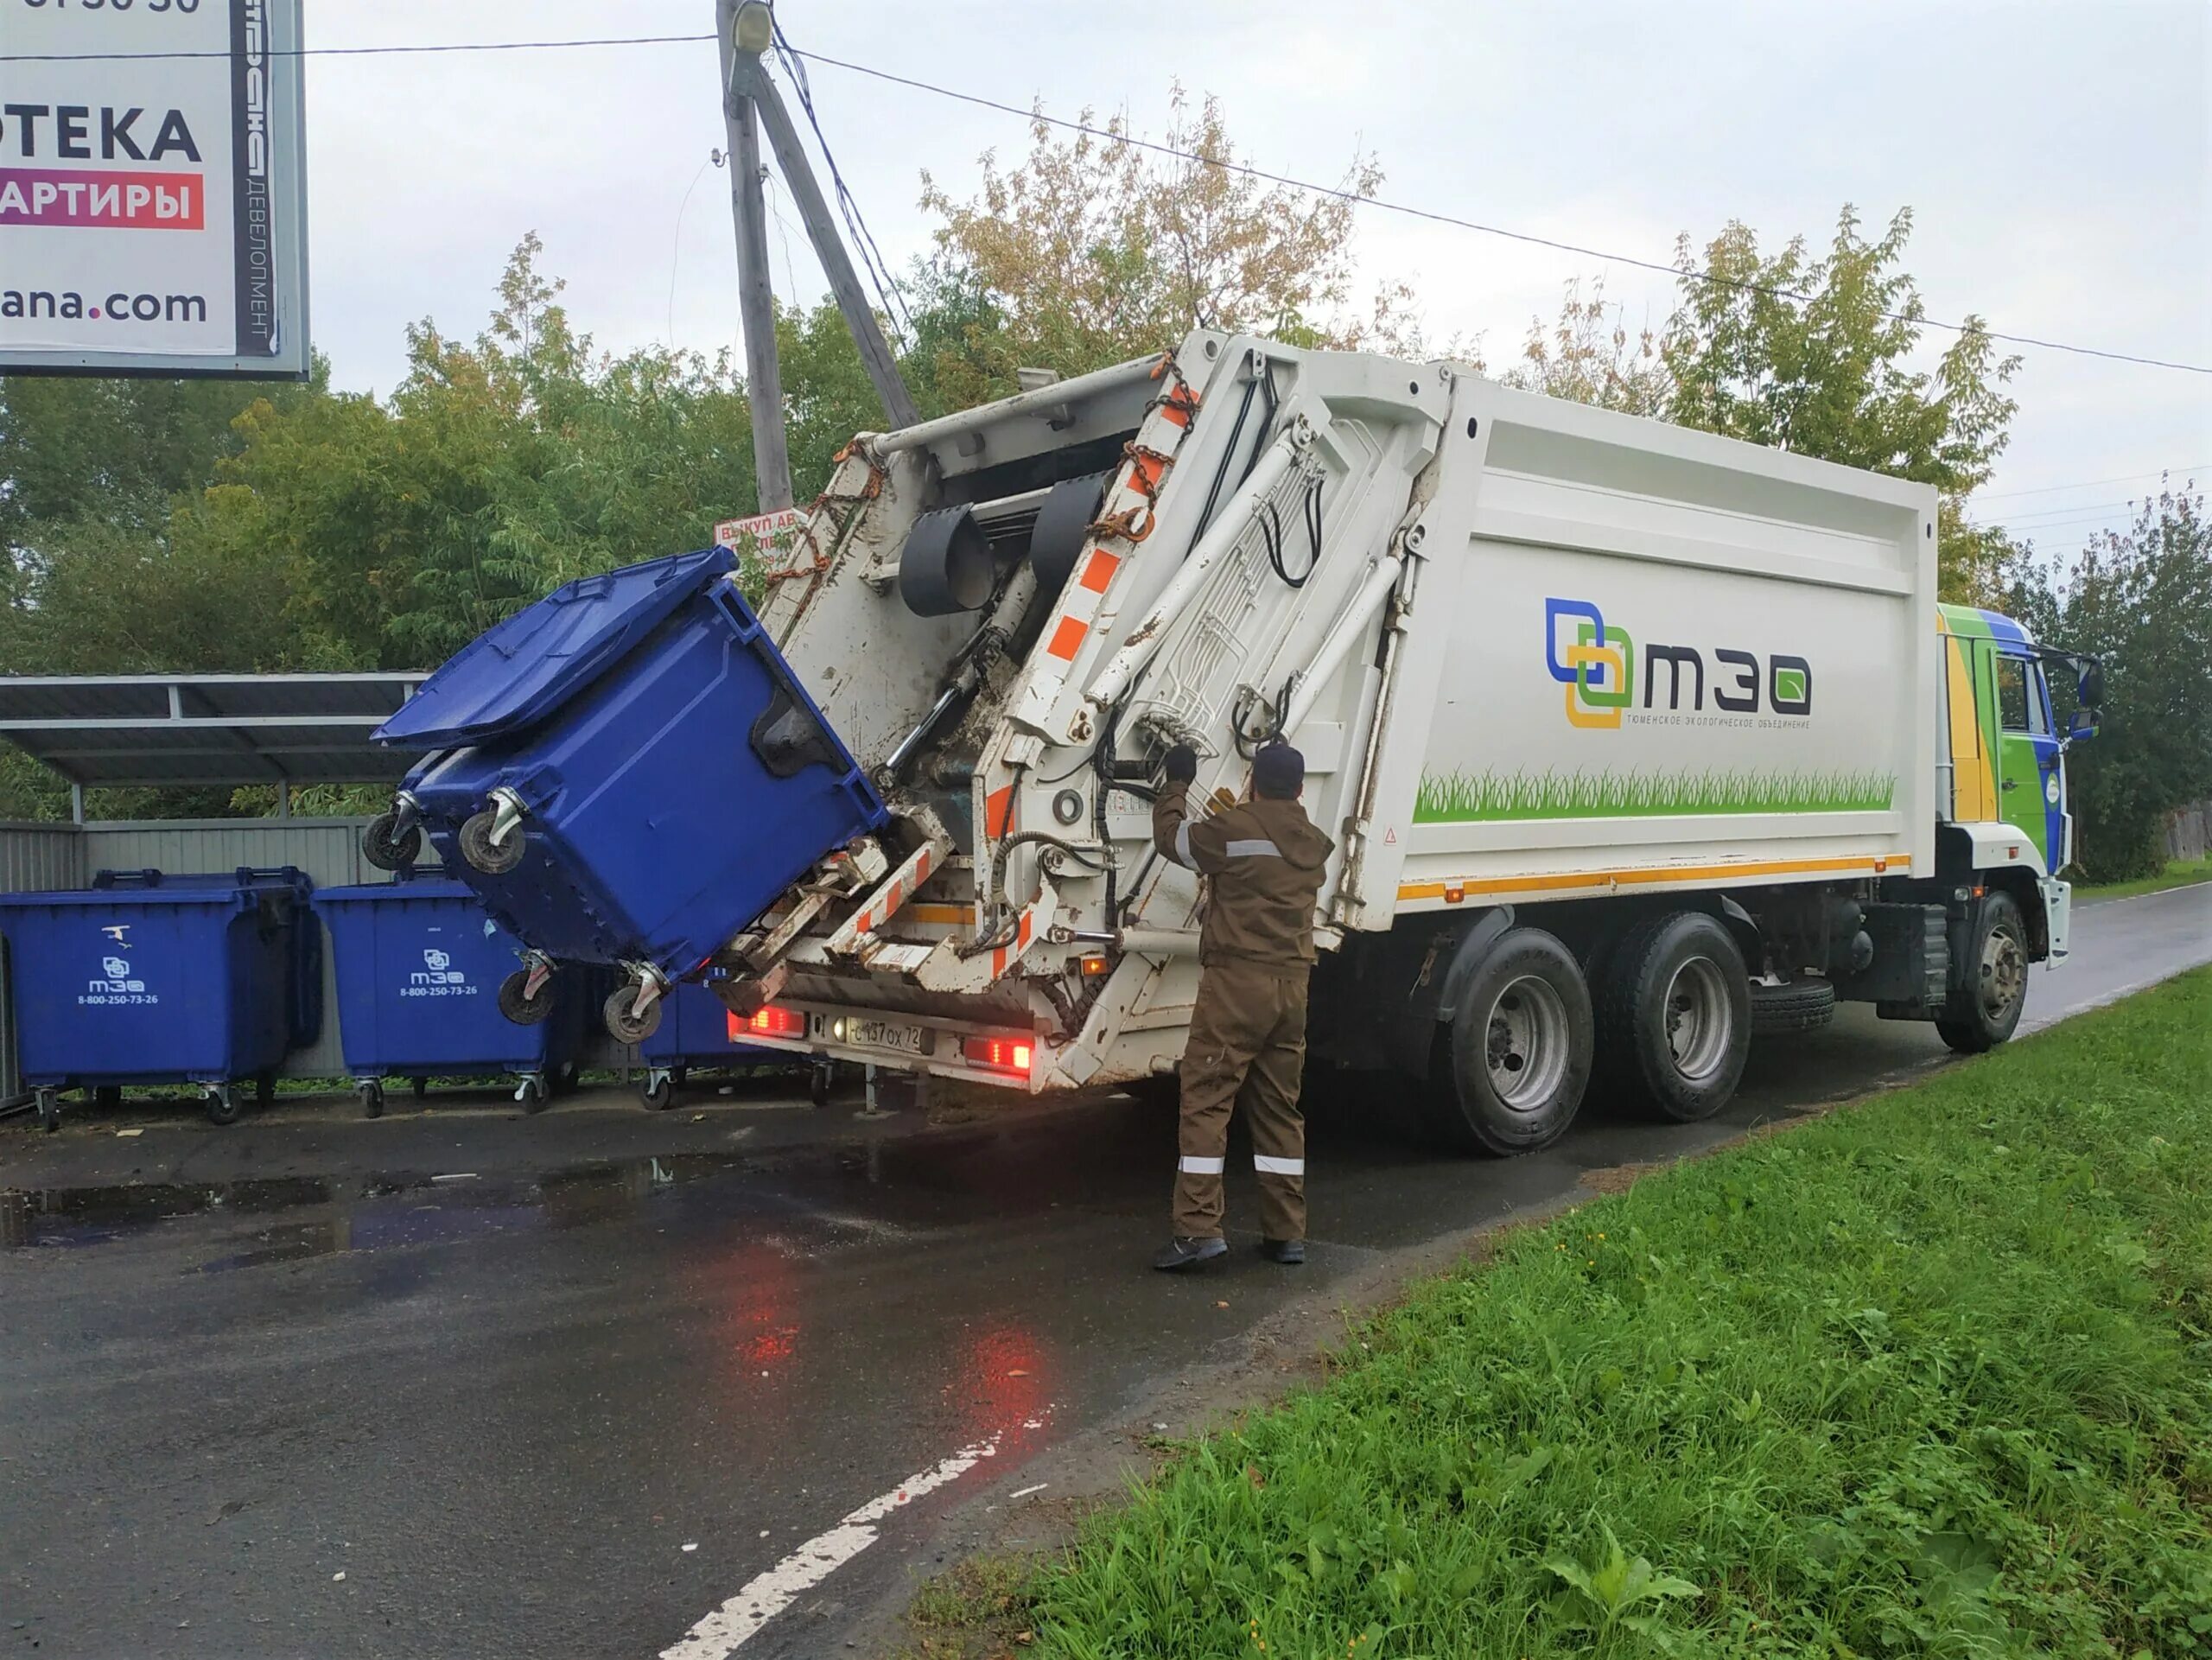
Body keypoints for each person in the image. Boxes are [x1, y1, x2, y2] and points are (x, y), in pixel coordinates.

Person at [1148, 738, 1334, 1271]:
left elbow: (1174, 841)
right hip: (1292, 988)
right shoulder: (1311, 842)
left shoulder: (1234, 830)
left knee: (1207, 1099)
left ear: (1253, 779)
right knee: (1279, 1108)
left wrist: (1178, 783)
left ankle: (1199, 1230)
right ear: (1299, 788)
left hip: (1236, 985)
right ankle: (1286, 1234)